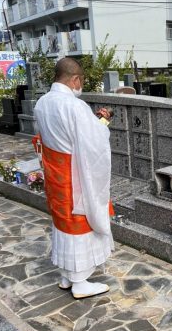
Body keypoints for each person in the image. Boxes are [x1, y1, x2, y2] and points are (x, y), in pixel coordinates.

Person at [34, 57, 114, 299]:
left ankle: (67, 275)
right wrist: (104, 121)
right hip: (74, 174)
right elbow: (93, 143)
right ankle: (80, 282)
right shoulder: (74, 106)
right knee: (80, 222)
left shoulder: (42, 103)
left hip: (55, 172)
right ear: (75, 79)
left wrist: (93, 122)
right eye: (82, 81)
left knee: (62, 223)